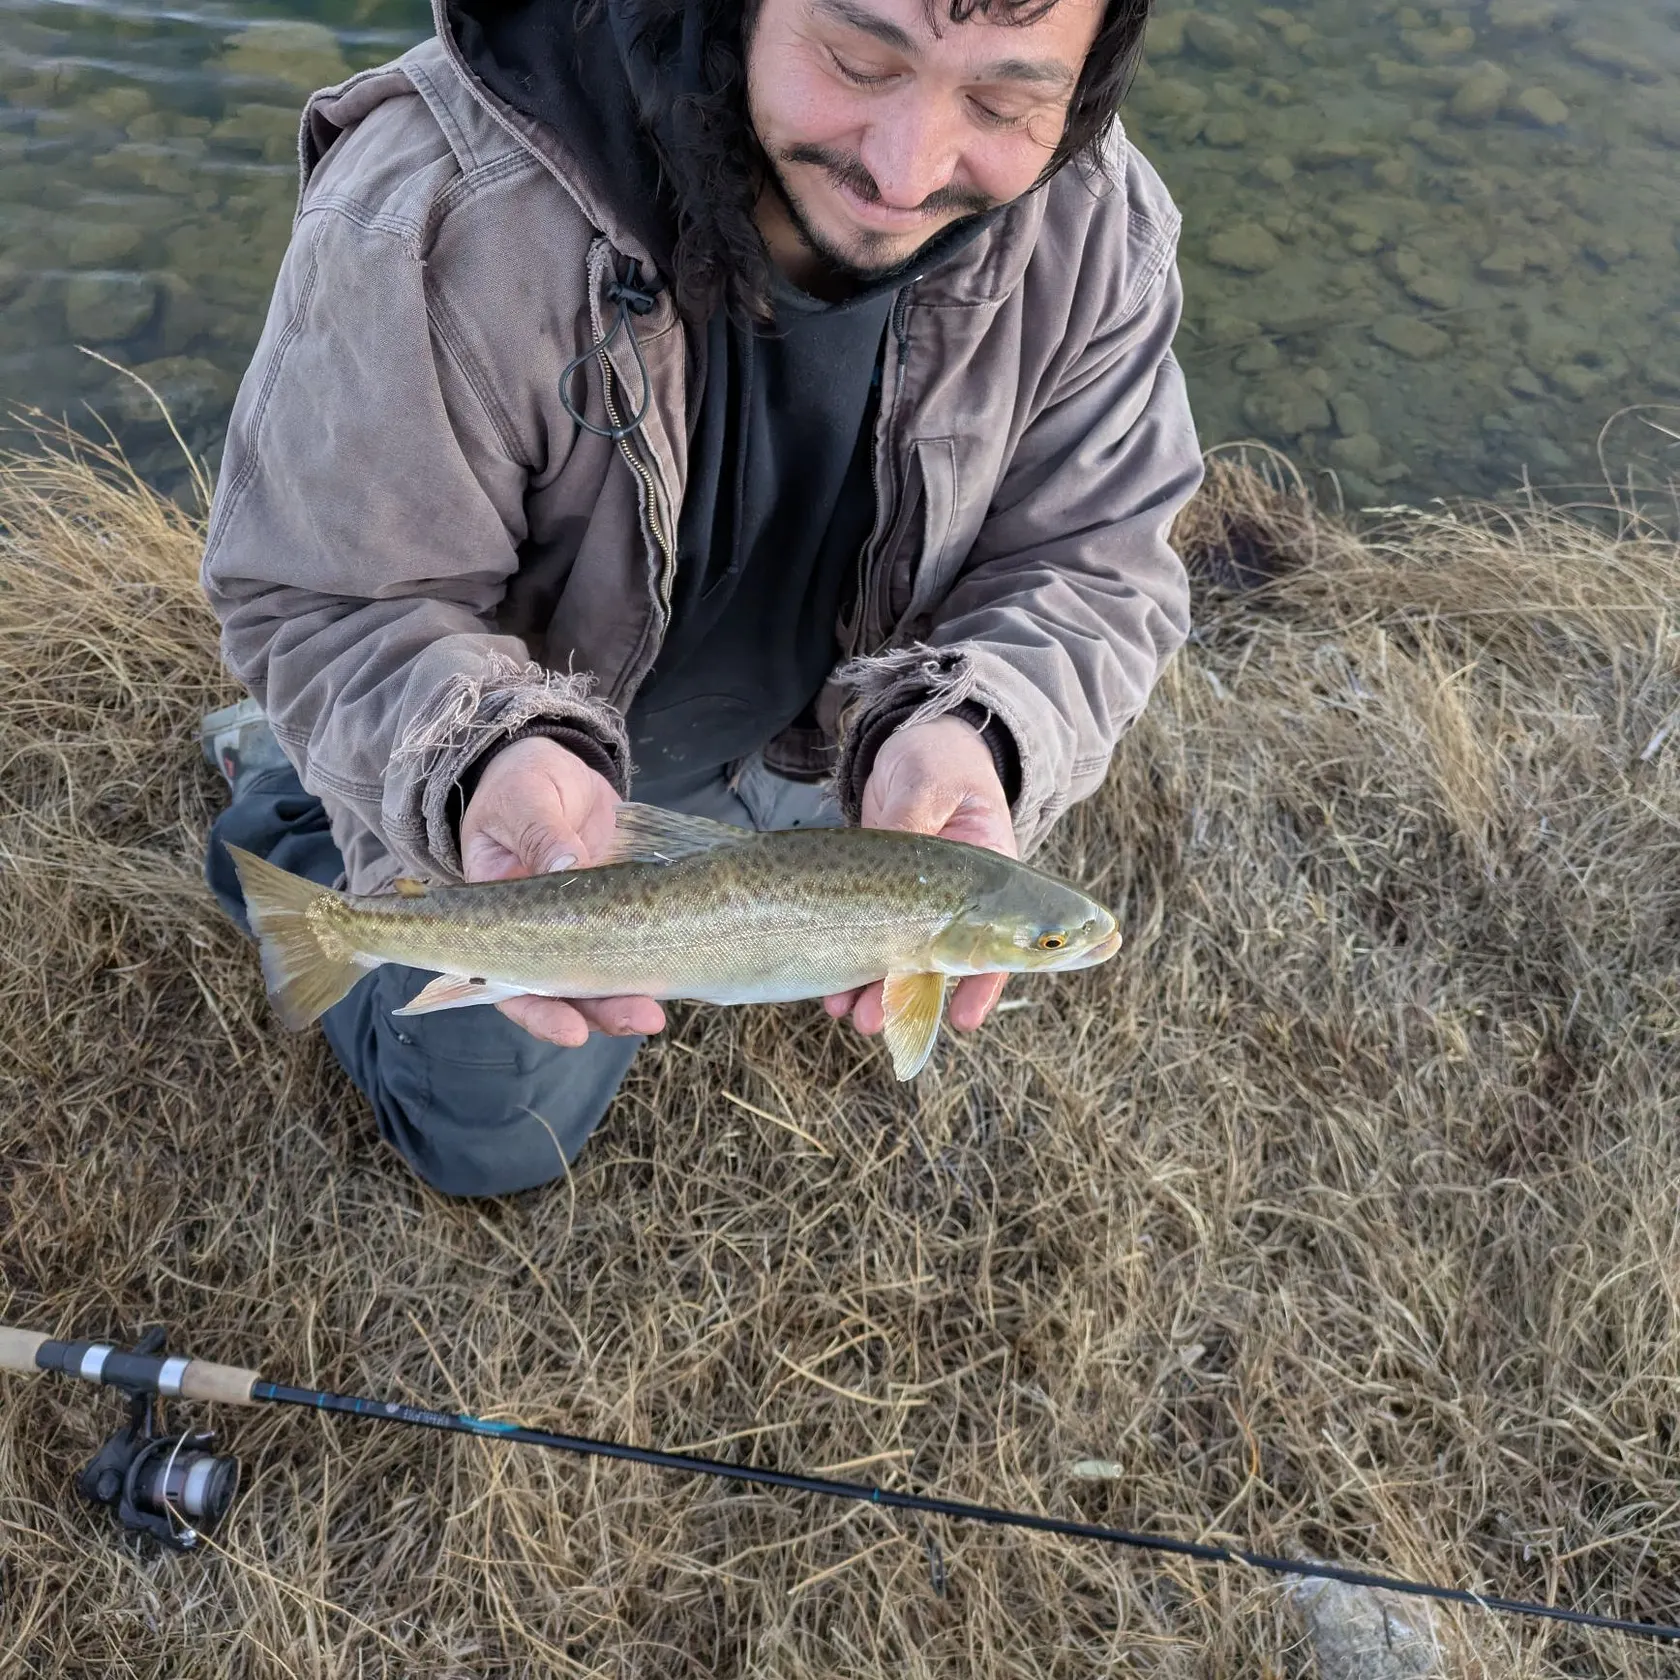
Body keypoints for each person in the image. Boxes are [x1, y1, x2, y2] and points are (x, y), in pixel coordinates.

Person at [199, 0, 1203, 1197]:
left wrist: (976, 728)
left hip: (840, 759)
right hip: (550, 777)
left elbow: (1097, 563)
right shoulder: (432, 208)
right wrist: (470, 758)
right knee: (491, 1139)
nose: (906, 170)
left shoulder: (1098, 224)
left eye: (1001, 102)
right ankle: (294, 803)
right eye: (856, 59)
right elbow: (333, 596)